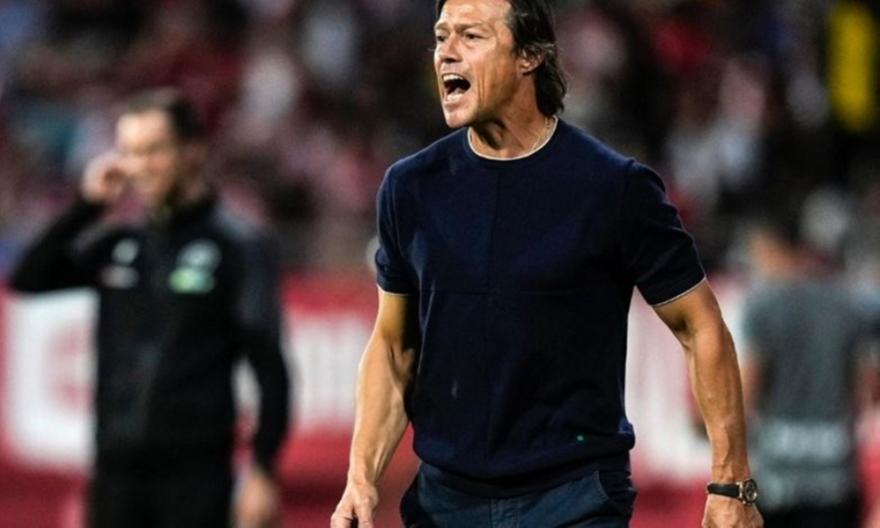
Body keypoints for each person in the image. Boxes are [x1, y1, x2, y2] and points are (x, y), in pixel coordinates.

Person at [332, 0, 763, 526]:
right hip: (445, 504)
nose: (446, 52)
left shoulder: (613, 188)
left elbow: (701, 325)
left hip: (573, 500)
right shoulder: (409, 188)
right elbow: (394, 346)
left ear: (529, 55)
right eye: (441, 37)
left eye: (471, 36)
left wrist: (732, 484)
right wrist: (361, 476)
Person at [9, 88, 290, 528]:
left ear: (193, 150)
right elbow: (29, 278)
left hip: (195, 476)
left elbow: (269, 366)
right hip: (115, 472)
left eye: (154, 150)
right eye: (130, 153)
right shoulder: (122, 242)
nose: (139, 166)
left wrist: (263, 470)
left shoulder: (238, 246)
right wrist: (87, 207)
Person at [740, 209, 880, 527]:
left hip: (777, 477)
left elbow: (748, 391)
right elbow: (868, 390)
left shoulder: (763, 308)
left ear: (774, 248)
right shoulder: (853, 306)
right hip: (835, 476)